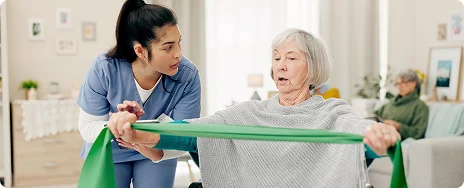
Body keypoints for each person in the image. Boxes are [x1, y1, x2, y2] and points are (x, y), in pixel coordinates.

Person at [109, 28, 400, 187]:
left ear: (313, 69)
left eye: (292, 58)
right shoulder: (250, 112)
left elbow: (360, 135)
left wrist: (380, 135)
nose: (280, 66)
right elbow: (193, 131)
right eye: (276, 58)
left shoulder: (332, 111)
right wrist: (137, 131)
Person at [76, 0, 201, 187]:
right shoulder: (104, 68)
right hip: (110, 148)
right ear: (140, 51)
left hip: (159, 147)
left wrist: (153, 149)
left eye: (178, 43)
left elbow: (185, 136)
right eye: (168, 47)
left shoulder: (187, 76)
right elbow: (87, 127)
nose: (178, 54)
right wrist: (120, 125)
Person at [374, 69, 429, 140]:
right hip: (378, 134)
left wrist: (398, 126)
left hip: (394, 140)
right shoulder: (392, 102)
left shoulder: (419, 106)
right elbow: (375, 115)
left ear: (414, 83)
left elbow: (418, 132)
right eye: (398, 84)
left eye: (403, 83)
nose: (400, 86)